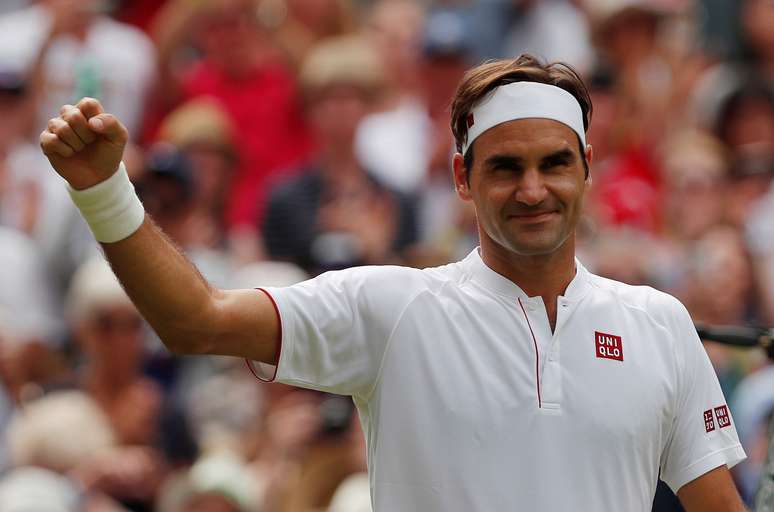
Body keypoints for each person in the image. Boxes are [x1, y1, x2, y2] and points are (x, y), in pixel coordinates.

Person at [40, 54, 747, 510]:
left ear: (587, 166)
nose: (534, 189)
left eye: (554, 163)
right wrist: (105, 190)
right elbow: (195, 320)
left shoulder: (659, 323)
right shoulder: (392, 307)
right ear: (461, 179)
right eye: (504, 167)